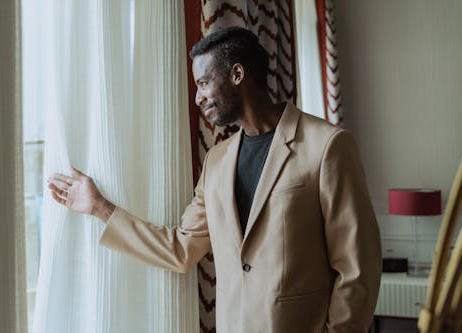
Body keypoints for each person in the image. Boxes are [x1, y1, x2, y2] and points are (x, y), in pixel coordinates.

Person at [48, 27, 381, 333]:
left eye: (204, 83)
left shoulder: (327, 146)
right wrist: (100, 208)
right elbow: (181, 248)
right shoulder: (217, 161)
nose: (197, 98)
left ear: (237, 74)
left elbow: (356, 268)